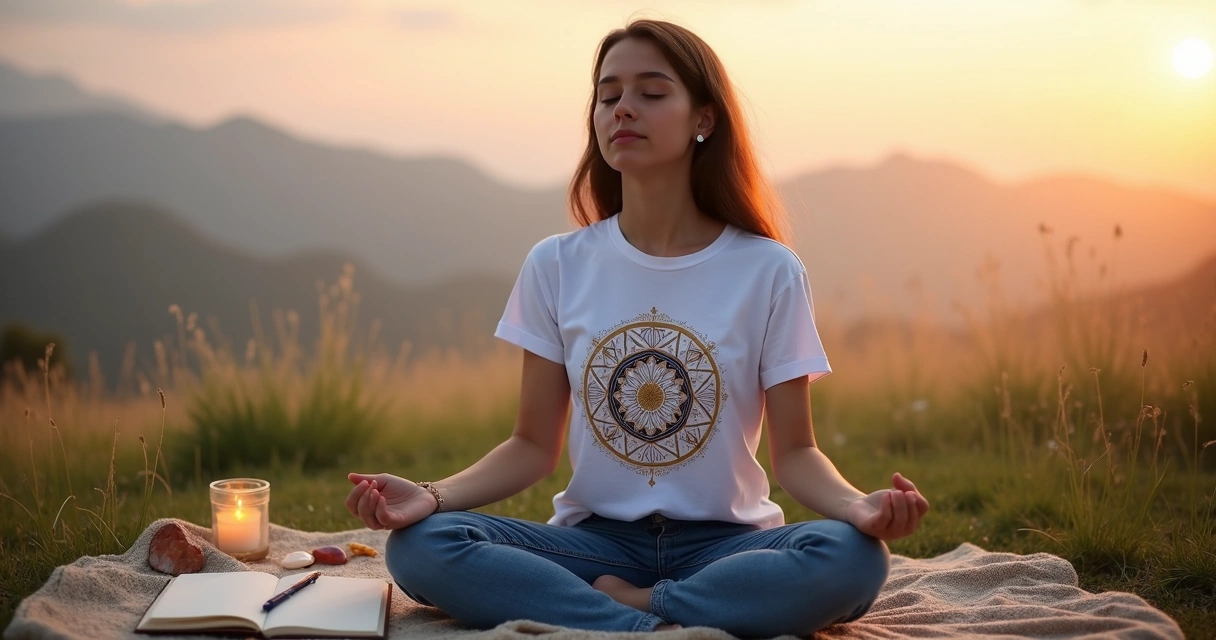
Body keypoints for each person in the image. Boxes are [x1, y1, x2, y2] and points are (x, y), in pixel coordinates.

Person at [345, 18, 929, 637]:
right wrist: (430, 497)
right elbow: (532, 447)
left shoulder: (768, 269)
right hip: (594, 547)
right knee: (420, 546)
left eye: (651, 93)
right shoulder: (557, 264)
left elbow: (797, 454)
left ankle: (623, 611)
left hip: (728, 546)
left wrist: (855, 507)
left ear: (704, 119)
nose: (623, 109)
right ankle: (659, 615)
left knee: (853, 558)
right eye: (608, 95)